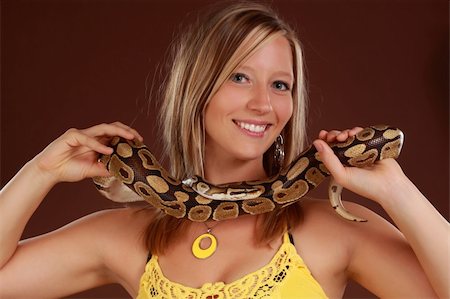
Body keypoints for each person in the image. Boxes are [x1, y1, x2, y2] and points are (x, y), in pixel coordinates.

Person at [0, 2, 448, 298]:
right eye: (239, 77)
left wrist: (397, 191)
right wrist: (40, 171)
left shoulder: (334, 230)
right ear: (197, 89)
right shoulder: (130, 235)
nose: (263, 104)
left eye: (280, 85)